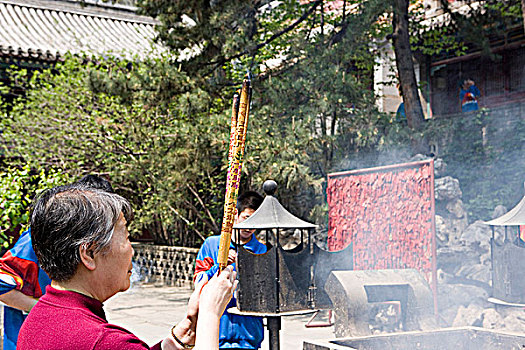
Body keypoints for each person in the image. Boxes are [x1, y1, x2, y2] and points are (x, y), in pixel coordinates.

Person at [17, 183, 236, 349]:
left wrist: (183, 334)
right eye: (126, 236)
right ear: (89, 253)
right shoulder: (103, 341)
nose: (131, 250)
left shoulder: (39, 317)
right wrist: (211, 314)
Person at [0, 174, 113, 350]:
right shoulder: (37, 239)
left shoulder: (82, 242)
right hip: (26, 339)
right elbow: (1, 284)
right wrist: (47, 310)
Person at [194, 191, 266, 350]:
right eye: (246, 219)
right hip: (215, 335)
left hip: (249, 337)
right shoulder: (212, 245)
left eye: (255, 222)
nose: (250, 227)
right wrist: (219, 266)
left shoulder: (262, 250)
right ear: (235, 214)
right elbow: (198, 283)